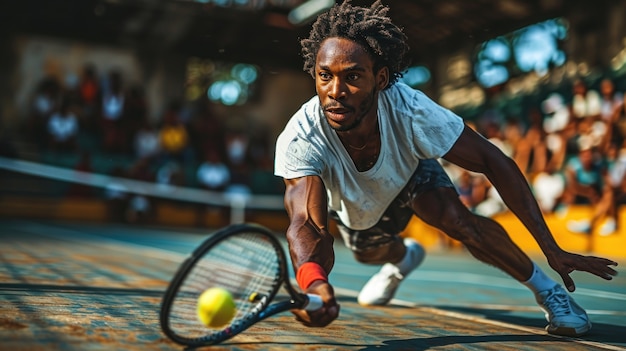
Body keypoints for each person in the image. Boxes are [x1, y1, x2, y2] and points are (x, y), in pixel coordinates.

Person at [273, 0, 618, 337]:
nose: (335, 91)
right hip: (359, 207)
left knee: (457, 219)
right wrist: (313, 282)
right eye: (324, 76)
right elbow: (306, 224)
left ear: (380, 79)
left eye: (352, 77)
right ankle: (404, 258)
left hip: (410, 174)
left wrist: (551, 247)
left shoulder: (411, 109)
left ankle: (548, 292)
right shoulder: (302, 136)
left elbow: (494, 161)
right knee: (371, 254)